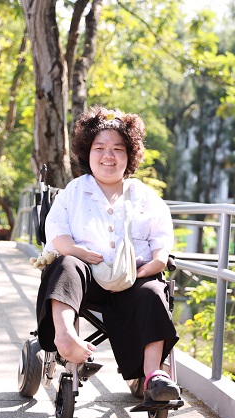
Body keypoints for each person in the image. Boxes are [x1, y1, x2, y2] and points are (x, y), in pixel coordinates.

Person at [35, 106, 180, 402]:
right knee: (66, 265)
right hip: (86, 282)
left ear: (130, 156)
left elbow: (161, 235)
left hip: (133, 279)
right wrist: (74, 249)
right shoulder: (74, 192)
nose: (108, 156)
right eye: (99, 148)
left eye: (117, 149)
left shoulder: (144, 196)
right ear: (88, 153)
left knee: (155, 290)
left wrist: (159, 258)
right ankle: (66, 337)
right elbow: (56, 230)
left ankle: (154, 376)